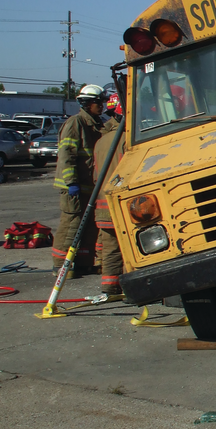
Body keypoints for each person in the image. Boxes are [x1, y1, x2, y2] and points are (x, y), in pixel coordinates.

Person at [51, 84, 107, 274]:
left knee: (90, 227)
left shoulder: (95, 123)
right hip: (74, 187)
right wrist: (71, 182)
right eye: (98, 102)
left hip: (89, 186)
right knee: (71, 226)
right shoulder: (76, 123)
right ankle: (60, 265)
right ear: (87, 103)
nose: (101, 106)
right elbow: (67, 154)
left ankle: (84, 263)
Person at [94, 93, 126, 295]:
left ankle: (109, 287)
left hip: (102, 206)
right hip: (120, 205)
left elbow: (95, 175)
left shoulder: (100, 142)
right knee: (127, 248)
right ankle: (129, 288)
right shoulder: (127, 141)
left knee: (110, 248)